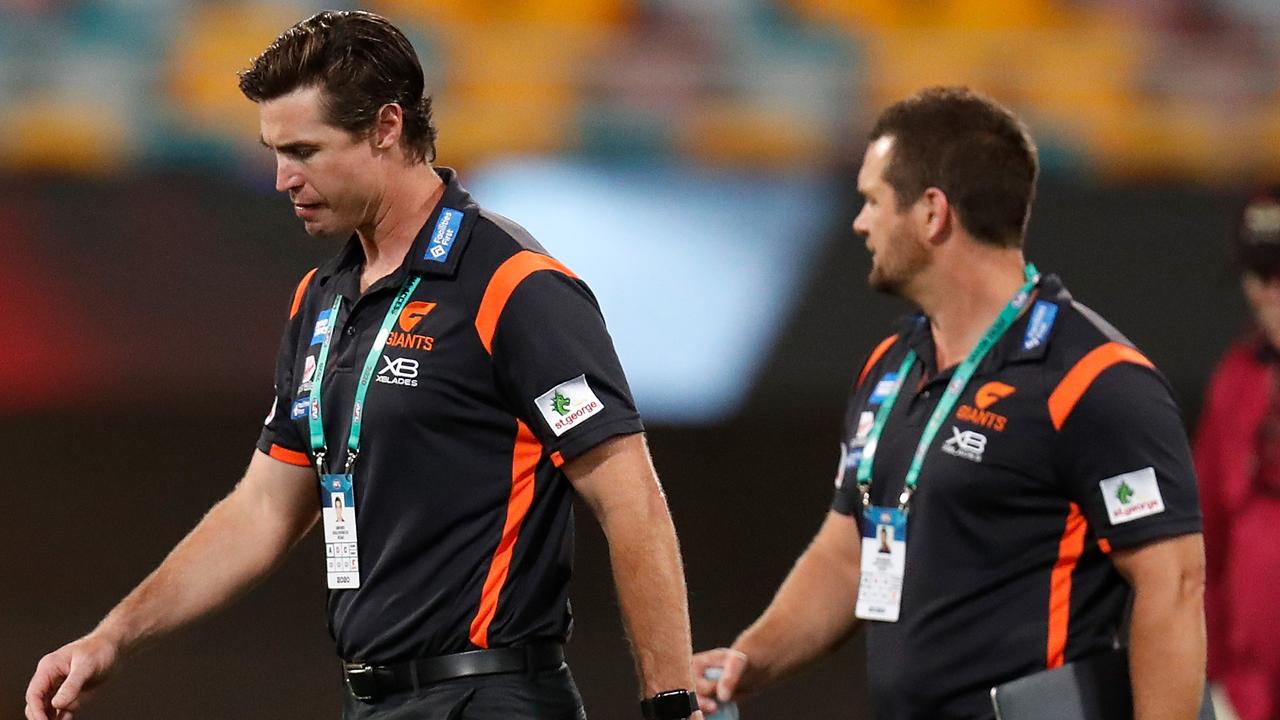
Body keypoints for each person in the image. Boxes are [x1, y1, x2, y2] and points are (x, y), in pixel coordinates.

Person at [25, 11, 701, 720]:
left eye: (304, 150)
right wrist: (112, 637)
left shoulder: (513, 285)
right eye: (273, 151)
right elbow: (261, 508)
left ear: (385, 127)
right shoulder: (320, 300)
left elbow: (631, 500)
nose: (282, 177)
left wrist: (669, 702)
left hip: (491, 698)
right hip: (372, 702)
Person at [692, 86, 1207, 719]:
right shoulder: (890, 367)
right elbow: (848, 553)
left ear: (932, 213)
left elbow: (1173, 586)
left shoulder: (1094, 380)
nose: (859, 221)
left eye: (873, 200)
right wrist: (748, 660)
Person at [1196, 187, 1280, 720]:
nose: (1269, 291)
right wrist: (1215, 673)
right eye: (1258, 273)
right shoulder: (1239, 375)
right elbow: (1207, 536)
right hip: (1250, 691)